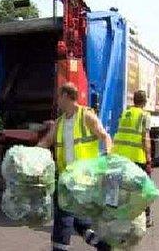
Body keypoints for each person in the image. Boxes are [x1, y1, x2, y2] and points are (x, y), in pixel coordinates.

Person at [37, 82, 113, 251]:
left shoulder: (86, 116)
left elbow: (105, 137)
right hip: (66, 176)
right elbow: (47, 140)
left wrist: (107, 155)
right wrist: (31, 156)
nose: (57, 100)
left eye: (59, 96)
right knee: (78, 219)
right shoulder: (60, 122)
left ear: (66, 96)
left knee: (63, 215)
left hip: (84, 176)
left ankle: (59, 248)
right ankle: (101, 243)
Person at [112, 90, 153, 227]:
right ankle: (145, 219)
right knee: (143, 188)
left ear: (134, 101)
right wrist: (148, 158)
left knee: (122, 188)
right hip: (136, 157)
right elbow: (145, 138)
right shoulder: (144, 116)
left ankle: (118, 217)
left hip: (120, 156)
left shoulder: (125, 113)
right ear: (145, 102)